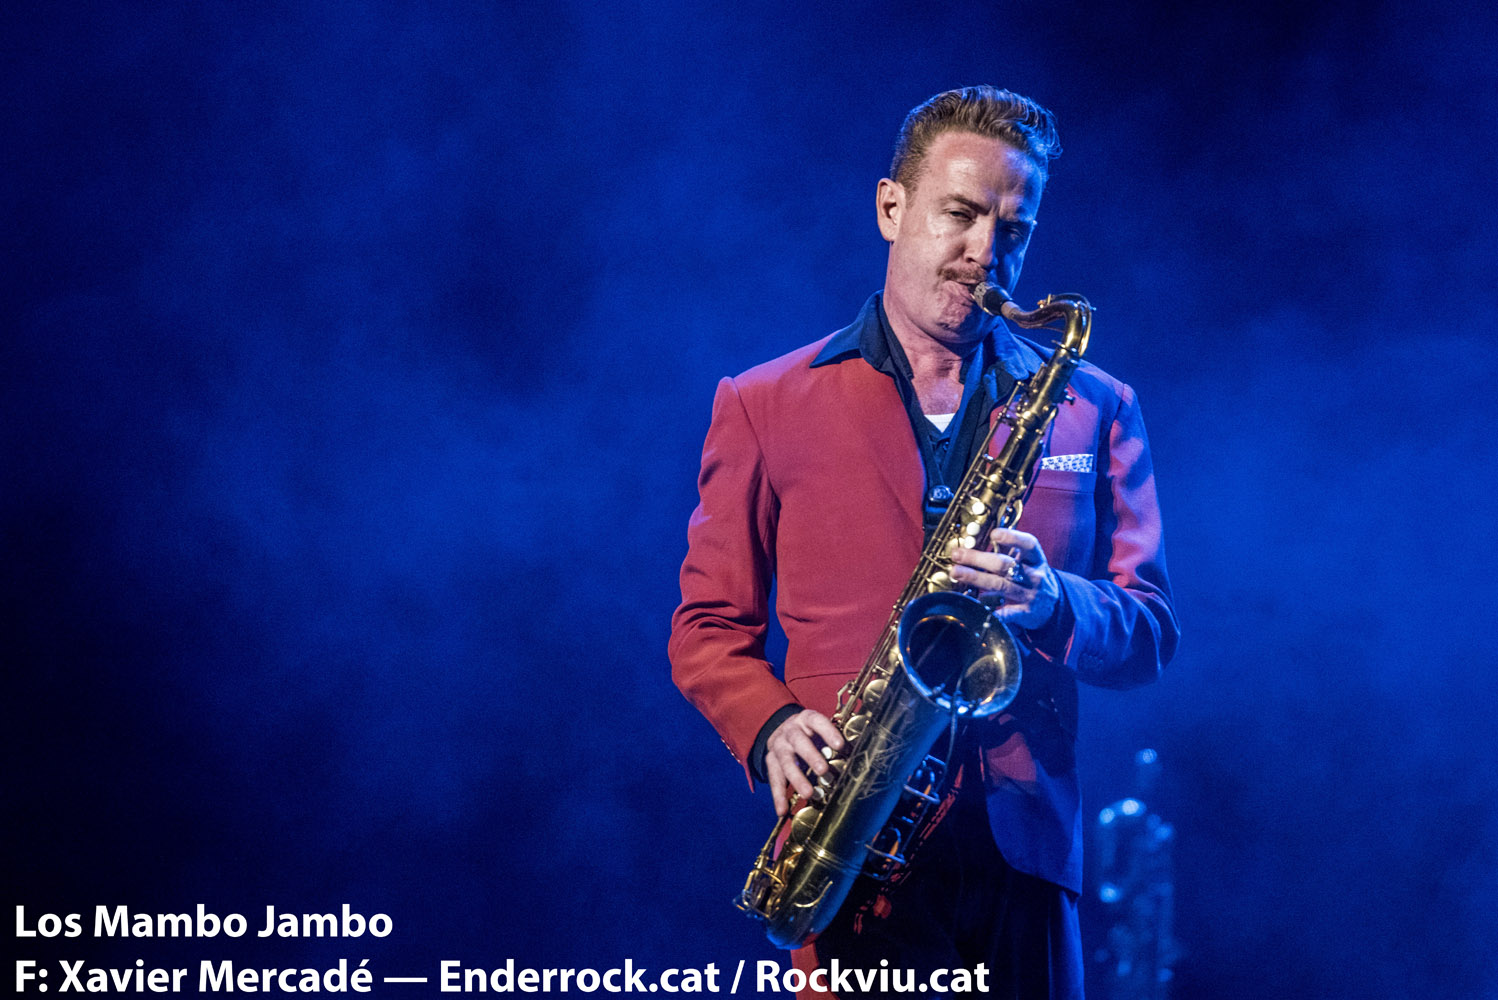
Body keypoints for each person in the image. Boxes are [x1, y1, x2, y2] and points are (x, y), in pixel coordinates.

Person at [669, 86, 1178, 999]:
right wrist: (770, 724)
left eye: (1013, 228)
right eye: (960, 214)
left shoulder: (1097, 405)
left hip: (1024, 850)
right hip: (851, 845)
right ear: (890, 208)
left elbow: (1150, 633)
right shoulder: (764, 402)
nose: (987, 251)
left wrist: (1055, 603)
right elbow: (706, 628)